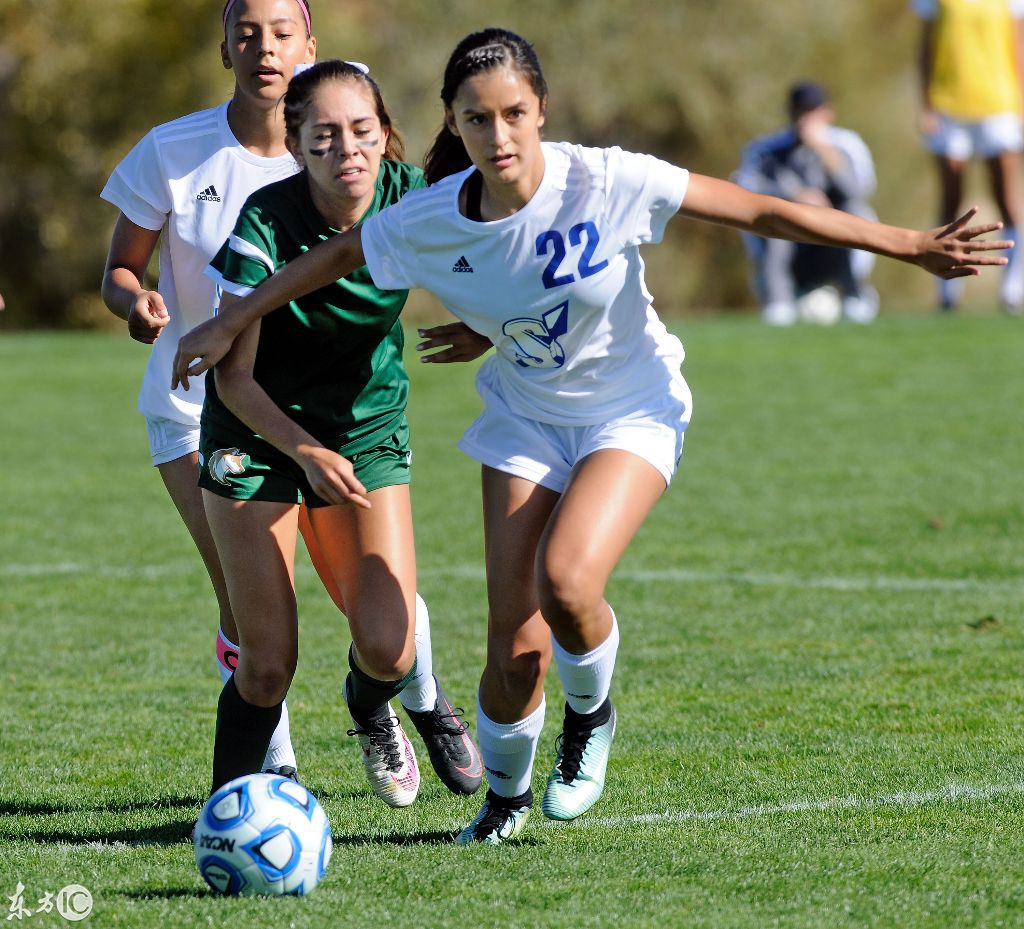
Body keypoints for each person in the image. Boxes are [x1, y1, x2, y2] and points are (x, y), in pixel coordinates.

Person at [171, 28, 1009, 843]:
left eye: (513, 114)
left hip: (630, 410)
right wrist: (237, 317)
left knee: (567, 581)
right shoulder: (428, 214)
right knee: (512, 652)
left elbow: (756, 209)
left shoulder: (607, 180)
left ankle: (592, 713)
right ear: (452, 124)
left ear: (541, 109)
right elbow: (342, 254)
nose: (498, 136)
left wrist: (905, 242)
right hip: (525, 418)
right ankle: (504, 800)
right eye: (477, 119)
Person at [100, 0, 481, 795]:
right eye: (247, 33)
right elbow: (134, 280)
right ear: (224, 47)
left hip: (352, 422)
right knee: (256, 633)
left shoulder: (385, 178)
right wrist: (136, 302)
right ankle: (257, 785)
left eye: (281, 33)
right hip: (215, 408)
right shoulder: (200, 171)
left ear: (311, 47)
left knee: (383, 623)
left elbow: (479, 243)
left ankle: (402, 695)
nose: (264, 48)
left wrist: (490, 324)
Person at [192, 58, 484, 801]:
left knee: (389, 646)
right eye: (324, 136)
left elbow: (491, 261)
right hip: (257, 436)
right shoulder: (264, 222)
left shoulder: (412, 200)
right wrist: (303, 450)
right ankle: (227, 810)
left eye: (362, 130)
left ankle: (372, 708)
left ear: (386, 135)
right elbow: (235, 375)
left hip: (365, 429)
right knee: (266, 662)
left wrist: (486, 326)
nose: (345, 149)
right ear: (295, 147)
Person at [734, 80, 879, 325]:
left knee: (853, 214)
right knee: (772, 222)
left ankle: (854, 294)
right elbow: (742, 192)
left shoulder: (847, 143)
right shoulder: (766, 149)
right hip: (790, 237)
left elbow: (857, 191)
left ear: (827, 113)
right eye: (800, 111)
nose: (804, 118)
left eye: (811, 111)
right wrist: (795, 197)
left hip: (834, 235)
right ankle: (779, 303)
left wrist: (822, 148)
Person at [913, 0, 1024, 313]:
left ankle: (1012, 289)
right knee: (951, 199)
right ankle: (948, 291)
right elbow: (926, 47)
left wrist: (1021, 106)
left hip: (998, 104)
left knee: (1006, 197)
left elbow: (1017, 45)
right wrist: (926, 104)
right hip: (949, 105)